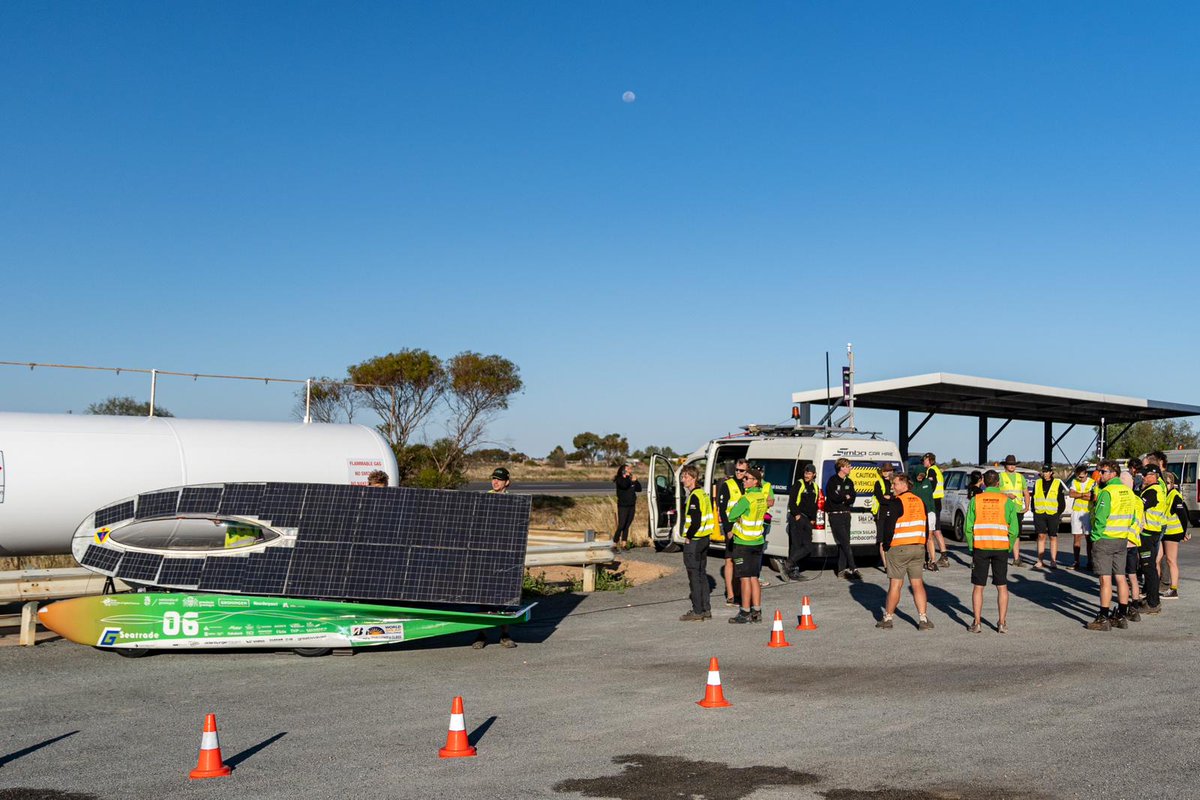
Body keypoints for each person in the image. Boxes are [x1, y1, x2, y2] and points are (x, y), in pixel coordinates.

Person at [874, 473, 934, 631]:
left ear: (904, 485)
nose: (892, 487)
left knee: (895, 584)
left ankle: (888, 618)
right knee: (917, 584)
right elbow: (926, 527)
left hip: (900, 547)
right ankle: (923, 618)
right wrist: (924, 546)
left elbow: (889, 527)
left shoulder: (896, 502)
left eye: (895, 484)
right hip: (918, 547)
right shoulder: (920, 501)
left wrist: (886, 545)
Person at [1086, 460, 1141, 631]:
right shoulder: (1128, 492)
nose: (1100, 474)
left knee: (1105, 579)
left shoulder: (1107, 492)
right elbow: (1132, 517)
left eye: (1103, 471)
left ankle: (1103, 617)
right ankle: (1121, 615)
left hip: (1105, 539)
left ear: (1113, 473)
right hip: (1121, 539)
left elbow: (1101, 518)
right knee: (1121, 577)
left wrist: (1095, 537)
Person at [964, 470, 1021, 633]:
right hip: (1001, 548)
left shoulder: (976, 500)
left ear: (984, 483)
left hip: (981, 547)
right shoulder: (1007, 501)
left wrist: (971, 546)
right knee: (1002, 586)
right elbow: (1014, 530)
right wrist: (1008, 546)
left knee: (978, 586)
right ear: (998, 483)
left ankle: (977, 623)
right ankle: (1002, 623)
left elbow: (968, 527)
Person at [475, 467, 517, 649]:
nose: (495, 482)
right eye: (493, 479)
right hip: (486, 553)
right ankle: (482, 635)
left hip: (505, 553)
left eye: (499, 479)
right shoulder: (485, 498)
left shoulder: (514, 502)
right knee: (484, 596)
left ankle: (505, 635)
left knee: (504, 597)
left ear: (507, 482)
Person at [726, 466, 769, 624]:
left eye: (747, 478)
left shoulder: (746, 499)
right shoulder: (761, 497)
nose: (743, 480)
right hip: (757, 541)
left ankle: (744, 612)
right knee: (754, 577)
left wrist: (737, 507)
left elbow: (732, 515)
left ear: (755, 481)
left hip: (743, 542)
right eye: (743, 478)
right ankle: (756, 611)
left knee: (744, 578)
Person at [678, 465, 714, 621]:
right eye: (682, 477)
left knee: (694, 575)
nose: (682, 480)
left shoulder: (694, 496)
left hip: (695, 540)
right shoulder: (703, 494)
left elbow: (696, 521)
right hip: (705, 539)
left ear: (693, 478)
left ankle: (697, 611)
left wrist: (688, 537)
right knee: (701, 574)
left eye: (685, 477)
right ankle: (706, 609)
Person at [824, 458, 861, 580]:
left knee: (844, 543)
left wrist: (846, 497)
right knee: (845, 542)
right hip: (835, 514)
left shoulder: (849, 482)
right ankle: (853, 568)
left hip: (846, 514)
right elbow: (834, 497)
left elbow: (852, 497)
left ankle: (841, 570)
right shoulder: (833, 481)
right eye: (848, 466)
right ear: (842, 468)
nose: (850, 468)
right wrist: (845, 497)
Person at [1136, 465, 1166, 615]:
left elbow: (1140, 505)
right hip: (1152, 532)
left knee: (1149, 569)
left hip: (1148, 534)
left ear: (1155, 476)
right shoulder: (1156, 489)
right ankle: (1151, 599)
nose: (1143, 477)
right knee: (1151, 568)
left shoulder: (1153, 491)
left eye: (1146, 475)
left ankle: (1153, 603)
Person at [717, 460, 748, 606]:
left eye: (742, 470)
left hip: (746, 530)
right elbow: (723, 510)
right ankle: (730, 594)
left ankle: (739, 592)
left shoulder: (749, 485)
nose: (739, 473)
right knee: (730, 560)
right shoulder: (727, 485)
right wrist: (728, 529)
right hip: (732, 529)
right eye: (737, 470)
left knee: (741, 562)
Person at [784, 463, 820, 581]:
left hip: (808, 520)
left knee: (808, 546)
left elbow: (815, 505)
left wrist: (813, 519)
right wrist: (797, 514)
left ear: (814, 474)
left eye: (809, 473)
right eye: (805, 473)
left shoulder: (815, 487)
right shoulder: (799, 484)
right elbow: (792, 501)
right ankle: (793, 571)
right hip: (797, 518)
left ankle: (789, 562)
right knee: (796, 545)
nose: (806, 475)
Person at [1160, 470, 1190, 599]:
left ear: (1172, 484)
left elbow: (1183, 516)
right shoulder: (1165, 494)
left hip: (1173, 532)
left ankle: (1173, 589)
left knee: (1171, 560)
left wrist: (1184, 533)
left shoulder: (1174, 495)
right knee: (1158, 559)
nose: (1165, 485)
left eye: (1168, 483)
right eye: (1164, 483)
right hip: (1164, 531)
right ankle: (1151, 587)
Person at [1032, 465, 1066, 570]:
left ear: (1051, 472)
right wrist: (1034, 510)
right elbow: (1034, 497)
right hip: (1040, 513)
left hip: (1053, 514)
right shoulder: (1037, 483)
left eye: (1047, 472)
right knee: (1041, 536)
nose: (1045, 473)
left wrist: (1057, 513)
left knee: (1053, 536)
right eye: (1044, 471)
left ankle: (1053, 561)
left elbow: (1061, 501)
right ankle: (1040, 560)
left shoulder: (1057, 483)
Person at [998, 455, 1030, 566]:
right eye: (1010, 464)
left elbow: (1026, 492)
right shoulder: (1000, 477)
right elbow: (995, 492)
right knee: (1003, 533)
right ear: (1005, 465)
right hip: (1004, 508)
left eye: (1013, 464)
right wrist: (1006, 495)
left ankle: (1016, 559)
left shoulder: (1020, 477)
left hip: (1017, 509)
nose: (1012, 466)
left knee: (1016, 534)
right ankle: (1002, 557)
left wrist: (1027, 506)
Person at [923, 453, 949, 567]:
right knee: (937, 530)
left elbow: (931, 486)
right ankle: (944, 556)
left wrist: (926, 496)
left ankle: (932, 556)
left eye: (925, 460)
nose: (923, 462)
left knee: (931, 531)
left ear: (930, 460)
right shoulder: (937, 470)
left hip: (933, 502)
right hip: (938, 501)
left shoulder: (931, 471)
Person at [910, 469, 939, 570]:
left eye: (922, 476)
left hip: (930, 512)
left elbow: (930, 497)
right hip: (918, 513)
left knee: (930, 537)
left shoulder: (927, 482)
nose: (921, 478)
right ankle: (921, 561)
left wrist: (933, 511)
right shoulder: (912, 484)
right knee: (920, 539)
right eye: (919, 476)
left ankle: (933, 561)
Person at [1067, 465, 1094, 571]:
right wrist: (1084, 494)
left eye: (1082, 477)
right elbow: (1071, 494)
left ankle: (1090, 561)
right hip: (1076, 512)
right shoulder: (1074, 481)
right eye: (1078, 477)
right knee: (1077, 537)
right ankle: (1076, 561)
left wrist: (1078, 494)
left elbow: (1092, 496)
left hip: (1088, 512)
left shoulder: (1092, 482)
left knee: (1089, 539)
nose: (1080, 479)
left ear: (1086, 474)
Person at [612, 464, 642, 550]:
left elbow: (639, 489)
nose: (630, 469)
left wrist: (635, 481)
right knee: (621, 525)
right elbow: (624, 486)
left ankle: (624, 544)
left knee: (627, 524)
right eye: (628, 468)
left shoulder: (630, 479)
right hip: (623, 506)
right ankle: (614, 542)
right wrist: (629, 479)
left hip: (631, 505)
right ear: (623, 471)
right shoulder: (620, 479)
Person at [871, 463, 896, 566]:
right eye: (884, 471)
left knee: (892, 539)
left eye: (888, 470)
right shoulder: (878, 483)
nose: (886, 473)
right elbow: (880, 498)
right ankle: (886, 565)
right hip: (881, 514)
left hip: (893, 514)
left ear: (892, 471)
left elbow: (898, 497)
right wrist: (891, 498)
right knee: (882, 540)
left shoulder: (895, 482)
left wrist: (889, 497)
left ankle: (892, 562)